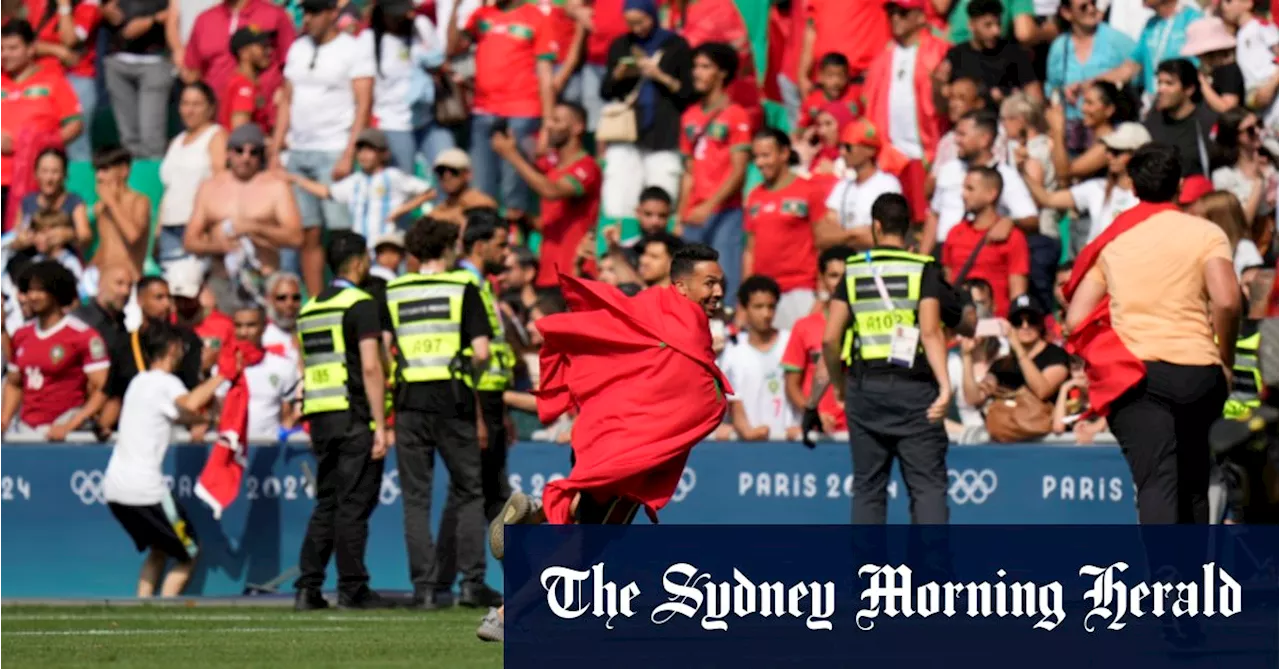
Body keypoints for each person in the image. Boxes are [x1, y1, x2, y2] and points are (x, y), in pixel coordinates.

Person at [480, 242, 730, 642]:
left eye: (721, 284)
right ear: (681, 286)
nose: (718, 292)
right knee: (588, 545)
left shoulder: (649, 306)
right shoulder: (690, 324)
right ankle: (506, 616)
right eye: (710, 283)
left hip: (599, 432)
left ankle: (538, 512)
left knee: (589, 527)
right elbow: (695, 388)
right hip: (628, 452)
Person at [1064, 143, 1240, 524]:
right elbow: (1227, 302)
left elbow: (1074, 319)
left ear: (1132, 186)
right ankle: (1191, 581)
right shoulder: (1206, 233)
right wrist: (1224, 359)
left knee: (1156, 483)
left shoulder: (1113, 241)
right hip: (1199, 371)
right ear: (1179, 185)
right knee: (1193, 481)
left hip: (1137, 375)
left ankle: (1165, 578)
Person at [822, 193, 959, 525]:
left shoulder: (853, 270)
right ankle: (932, 575)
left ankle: (868, 575)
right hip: (915, 389)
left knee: (869, 488)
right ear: (910, 227)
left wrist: (840, 386)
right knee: (927, 487)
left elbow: (829, 338)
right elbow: (930, 331)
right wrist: (944, 387)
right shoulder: (921, 268)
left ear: (876, 226)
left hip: (865, 387)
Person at [386, 218, 496, 609]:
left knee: (415, 498)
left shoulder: (394, 290)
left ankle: (425, 588)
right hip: (453, 397)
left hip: (409, 398)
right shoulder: (462, 288)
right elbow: (482, 352)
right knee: (468, 492)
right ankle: (471, 582)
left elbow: (385, 350)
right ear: (448, 247)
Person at [294, 231, 390, 610]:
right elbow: (370, 366)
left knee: (328, 502)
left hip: (321, 415)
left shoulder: (310, 307)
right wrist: (381, 424)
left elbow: (306, 365)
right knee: (353, 505)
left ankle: (308, 587)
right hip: (353, 415)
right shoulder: (361, 304)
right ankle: (353, 587)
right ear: (360, 261)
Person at [102, 323, 225, 597]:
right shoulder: (166, 382)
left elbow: (180, 414)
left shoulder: (139, 382)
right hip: (145, 491)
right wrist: (221, 375)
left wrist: (208, 419)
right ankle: (166, 611)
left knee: (160, 549)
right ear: (173, 348)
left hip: (114, 489)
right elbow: (190, 404)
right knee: (190, 551)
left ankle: (143, 606)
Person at [434, 209, 514, 604]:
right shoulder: (466, 284)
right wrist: (482, 413)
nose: (509, 253)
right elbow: (472, 357)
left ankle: (442, 578)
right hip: (476, 399)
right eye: (502, 244)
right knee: (486, 494)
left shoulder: (479, 284)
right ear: (481, 246)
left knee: (473, 492)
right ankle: (472, 580)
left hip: (490, 399)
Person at [272, 0, 374, 297]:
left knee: (342, 231)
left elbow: (363, 103)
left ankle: (352, 294)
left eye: (316, 12)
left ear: (332, 14)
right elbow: (286, 101)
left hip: (333, 149)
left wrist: (349, 153)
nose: (309, 18)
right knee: (308, 233)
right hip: (299, 150)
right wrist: (276, 150)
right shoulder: (298, 48)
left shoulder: (352, 49)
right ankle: (320, 302)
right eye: (306, 12)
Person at [447, 0, 554, 230]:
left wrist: (547, 123)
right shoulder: (482, 15)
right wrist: (455, 8)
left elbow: (545, 74)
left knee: (514, 187)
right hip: (483, 110)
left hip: (522, 112)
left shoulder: (536, 17)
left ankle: (514, 245)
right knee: (482, 187)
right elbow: (453, 48)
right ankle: (485, 238)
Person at [185, 124, 303, 314]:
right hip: (221, 281)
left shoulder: (276, 187)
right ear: (228, 154)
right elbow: (190, 241)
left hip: (264, 280)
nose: (245, 157)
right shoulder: (210, 187)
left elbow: (296, 237)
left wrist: (255, 227)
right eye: (239, 150)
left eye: (253, 152)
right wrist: (218, 247)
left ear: (261, 156)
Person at [598, 0, 693, 228]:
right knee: (620, 198)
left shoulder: (675, 46)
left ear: (653, 15)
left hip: (663, 134)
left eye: (641, 21)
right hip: (626, 133)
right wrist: (619, 75)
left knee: (662, 196)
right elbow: (605, 92)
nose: (637, 28)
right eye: (631, 23)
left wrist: (660, 76)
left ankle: (660, 251)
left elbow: (687, 94)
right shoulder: (621, 45)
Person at [492, 101, 601, 289]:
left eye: (557, 120)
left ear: (577, 127)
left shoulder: (587, 167)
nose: (549, 126)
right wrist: (526, 219)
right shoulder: (551, 169)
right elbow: (551, 225)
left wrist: (511, 155)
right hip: (547, 275)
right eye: (549, 120)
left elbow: (551, 191)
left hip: (576, 275)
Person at [0, 260, 108, 439]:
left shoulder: (82, 335)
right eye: (30, 290)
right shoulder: (21, 335)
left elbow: (102, 387)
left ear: (57, 291)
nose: (33, 296)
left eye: (40, 290)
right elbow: (14, 383)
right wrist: (4, 419)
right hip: (26, 431)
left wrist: (70, 425)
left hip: (63, 433)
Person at [680, 42, 751, 306]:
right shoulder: (689, 116)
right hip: (694, 214)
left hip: (725, 212)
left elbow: (739, 169)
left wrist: (709, 206)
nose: (696, 72)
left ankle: (727, 330)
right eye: (695, 66)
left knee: (724, 280)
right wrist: (680, 214)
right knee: (691, 286)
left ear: (722, 73)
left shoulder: (736, 115)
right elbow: (688, 172)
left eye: (705, 66)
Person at [0, 20, 83, 227]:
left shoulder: (53, 80)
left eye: (13, 48)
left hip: (35, 184)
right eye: (1, 48)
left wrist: (37, 145)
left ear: (31, 49)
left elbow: (75, 125)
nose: (5, 54)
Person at [287, 128, 436, 244]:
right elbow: (328, 192)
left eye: (370, 150)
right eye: (361, 150)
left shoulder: (392, 176)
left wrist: (401, 211)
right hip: (361, 246)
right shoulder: (355, 181)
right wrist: (297, 179)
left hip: (385, 245)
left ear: (383, 154)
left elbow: (429, 192)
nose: (364, 155)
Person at [1021, 121, 1148, 244]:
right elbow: (1048, 199)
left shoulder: (1149, 196)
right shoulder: (1098, 188)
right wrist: (1021, 168)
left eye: (1116, 152)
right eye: (1108, 150)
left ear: (1137, 155)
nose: (1109, 156)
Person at [744, 128, 821, 329]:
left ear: (784, 153)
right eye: (757, 156)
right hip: (764, 296)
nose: (760, 162)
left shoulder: (809, 190)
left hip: (800, 290)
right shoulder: (754, 197)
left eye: (766, 155)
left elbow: (822, 243)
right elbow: (750, 251)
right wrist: (744, 299)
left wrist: (823, 295)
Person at [783, 245, 853, 443]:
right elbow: (792, 384)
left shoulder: (866, 324)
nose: (840, 282)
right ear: (822, 279)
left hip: (859, 429)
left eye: (846, 275)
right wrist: (812, 413)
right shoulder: (804, 327)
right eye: (833, 275)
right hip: (818, 431)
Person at [941, 166, 1030, 317]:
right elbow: (947, 283)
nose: (963, 194)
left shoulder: (1013, 237)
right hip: (960, 323)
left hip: (995, 323)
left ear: (991, 194)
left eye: (970, 189)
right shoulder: (955, 233)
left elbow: (1017, 292)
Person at [720, 275, 797, 441]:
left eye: (771, 307)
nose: (766, 314)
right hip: (748, 444)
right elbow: (734, 401)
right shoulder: (732, 350)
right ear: (744, 308)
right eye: (758, 307)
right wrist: (747, 431)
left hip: (788, 441)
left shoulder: (791, 341)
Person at [159, 82, 227, 267]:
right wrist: (158, 230)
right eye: (185, 104)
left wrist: (210, 226)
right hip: (169, 226)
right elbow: (168, 189)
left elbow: (220, 183)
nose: (189, 110)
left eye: (196, 104)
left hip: (196, 227)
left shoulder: (216, 136)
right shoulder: (176, 141)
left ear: (211, 107)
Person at [214, 305, 299, 441]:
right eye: (238, 326)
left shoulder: (284, 367)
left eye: (251, 325)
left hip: (269, 451)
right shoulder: (220, 370)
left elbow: (287, 416)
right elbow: (219, 413)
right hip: (233, 450)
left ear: (264, 327)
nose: (244, 332)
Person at [1142, 59, 1216, 178]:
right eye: (1159, 83)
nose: (1161, 89)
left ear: (1189, 89)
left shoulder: (1207, 124)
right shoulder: (1151, 125)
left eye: (1169, 83)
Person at [221, 26, 276, 133]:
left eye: (269, 46)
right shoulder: (243, 86)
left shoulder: (246, 83)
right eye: (263, 47)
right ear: (244, 53)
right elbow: (240, 133)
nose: (269, 51)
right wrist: (273, 142)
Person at [427, 149, 497, 228]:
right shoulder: (438, 209)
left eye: (453, 171)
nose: (447, 176)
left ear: (468, 174)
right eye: (441, 171)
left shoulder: (482, 202)